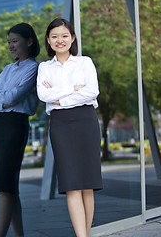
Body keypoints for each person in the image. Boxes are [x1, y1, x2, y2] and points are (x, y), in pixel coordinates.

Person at [36, 18, 102, 237]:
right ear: (48, 40)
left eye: (64, 35)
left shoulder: (85, 62)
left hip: (86, 122)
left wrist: (60, 98)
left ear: (72, 38)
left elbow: (91, 92)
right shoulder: (44, 67)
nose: (59, 40)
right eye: (54, 36)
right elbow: (43, 95)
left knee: (87, 185)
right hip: (61, 126)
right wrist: (73, 88)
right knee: (71, 184)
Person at [0, 22, 40, 237]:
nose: (11, 46)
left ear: (29, 41)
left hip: (15, 125)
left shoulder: (34, 68)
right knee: (6, 184)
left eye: (15, 41)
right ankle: (19, 235)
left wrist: (3, 98)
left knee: (6, 185)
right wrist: (3, 101)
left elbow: (12, 97)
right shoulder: (8, 69)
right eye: (9, 42)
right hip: (0, 123)